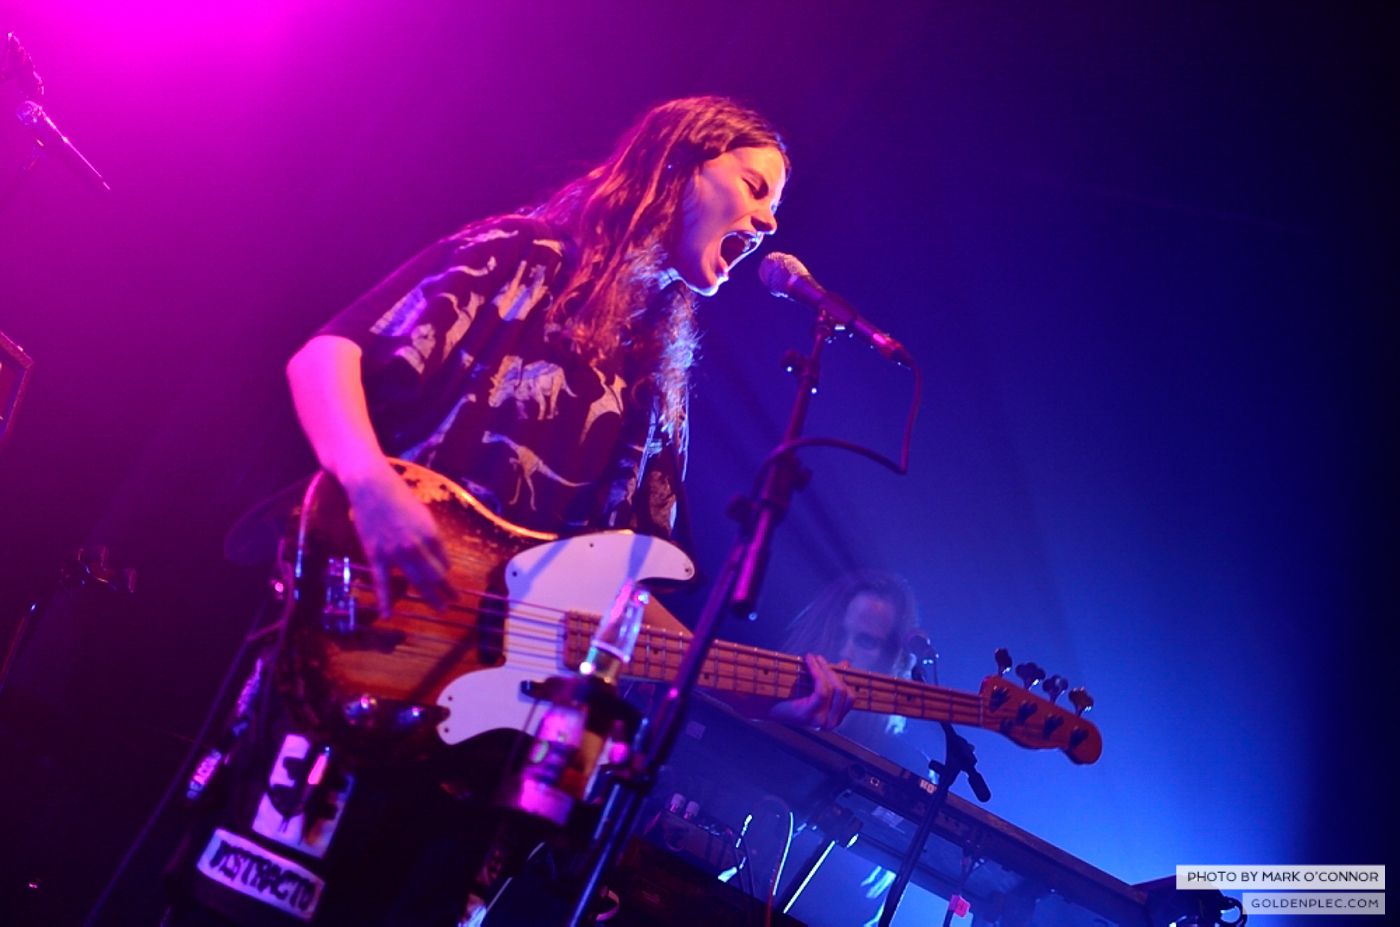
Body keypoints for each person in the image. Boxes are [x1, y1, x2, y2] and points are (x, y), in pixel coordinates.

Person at [162, 95, 790, 927]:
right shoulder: (520, 257)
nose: (768, 221)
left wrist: (770, 689)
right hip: (364, 653)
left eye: (774, 205)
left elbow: (627, 603)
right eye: (753, 186)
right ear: (679, 164)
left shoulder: (661, 376)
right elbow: (325, 357)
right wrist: (372, 488)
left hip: (480, 753)